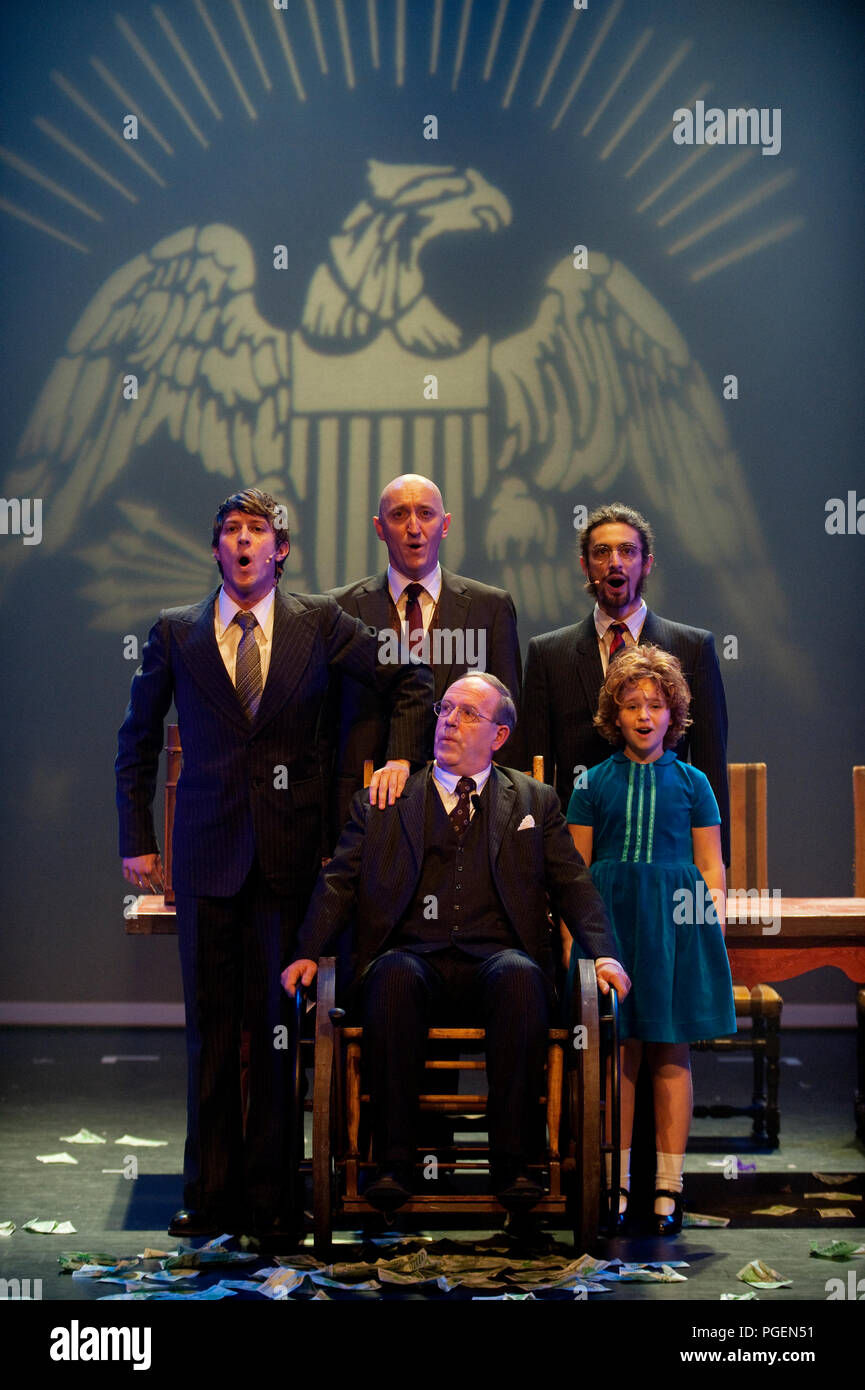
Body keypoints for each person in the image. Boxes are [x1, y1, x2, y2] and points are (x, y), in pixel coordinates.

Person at [116, 488, 433, 1241]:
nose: (245, 542)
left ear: (280, 550)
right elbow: (138, 740)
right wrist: (136, 838)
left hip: (292, 860)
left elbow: (412, 681)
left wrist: (395, 759)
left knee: (280, 1028)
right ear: (217, 548)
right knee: (212, 1034)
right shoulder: (176, 632)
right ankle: (208, 1192)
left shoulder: (318, 622)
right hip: (206, 857)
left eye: (258, 531)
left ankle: (272, 1196)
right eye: (231, 530)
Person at [283, 672, 630, 1212]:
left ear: (499, 736)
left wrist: (603, 953)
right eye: (445, 710)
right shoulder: (387, 799)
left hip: (497, 960)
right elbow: (339, 883)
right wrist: (307, 951)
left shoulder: (534, 800)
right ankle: (393, 1165)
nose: (448, 721)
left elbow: (573, 885)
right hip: (411, 960)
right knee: (394, 977)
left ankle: (516, 1166)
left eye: (467, 714)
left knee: (519, 977)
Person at [564, 645, 735, 1235]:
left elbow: (711, 867)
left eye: (655, 706)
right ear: (614, 714)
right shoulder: (592, 784)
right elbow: (576, 872)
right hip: (613, 923)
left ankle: (668, 1186)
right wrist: (577, 943)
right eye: (631, 704)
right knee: (621, 1050)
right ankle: (618, 1182)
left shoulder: (693, 782)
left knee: (670, 1050)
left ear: (673, 715)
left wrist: (697, 926)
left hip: (674, 928)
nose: (643, 715)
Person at [521, 503, 730, 861]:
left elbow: (710, 765)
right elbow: (534, 772)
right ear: (585, 567)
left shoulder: (693, 647)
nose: (615, 562)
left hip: (666, 851)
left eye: (627, 551)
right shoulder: (548, 653)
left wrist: (714, 865)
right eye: (601, 552)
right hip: (580, 853)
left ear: (646, 564)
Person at [326, 473, 522, 846]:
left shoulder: (490, 607)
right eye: (399, 515)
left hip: (469, 813)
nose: (414, 527)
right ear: (379, 528)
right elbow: (327, 723)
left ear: (445, 525)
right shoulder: (342, 607)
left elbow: (507, 724)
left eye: (426, 514)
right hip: (368, 811)